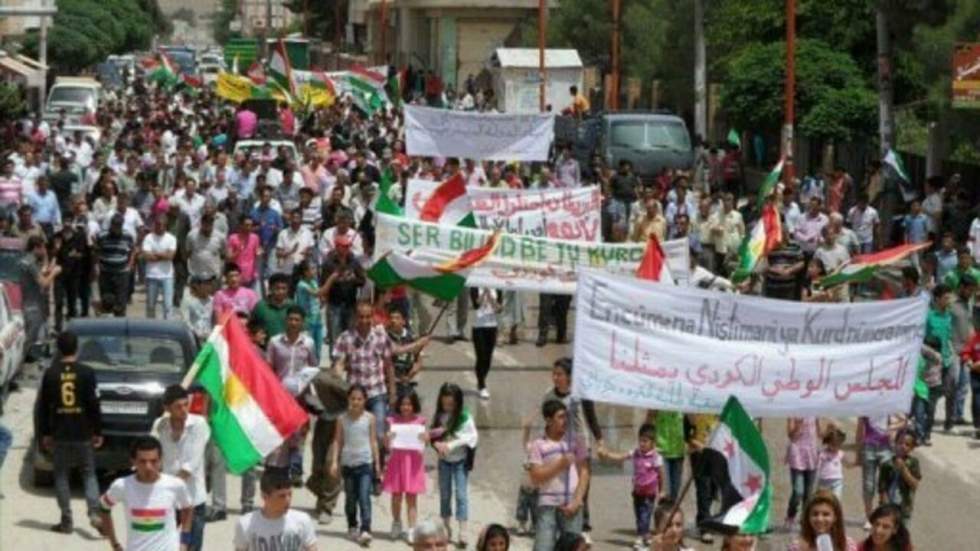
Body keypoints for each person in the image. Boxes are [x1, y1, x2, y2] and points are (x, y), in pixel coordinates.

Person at [37, 330, 103, 533]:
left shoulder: (51, 373)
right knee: (89, 473)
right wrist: (98, 430)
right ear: (77, 348)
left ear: (58, 349)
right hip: (83, 431)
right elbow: (94, 404)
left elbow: (43, 407)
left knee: (61, 475)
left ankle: (66, 520)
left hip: (60, 433)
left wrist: (45, 434)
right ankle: (94, 513)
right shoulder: (87, 372)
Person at [98, 436, 194, 551]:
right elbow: (104, 507)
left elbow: (188, 508)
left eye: (153, 461)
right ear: (133, 461)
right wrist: (115, 544)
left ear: (160, 460)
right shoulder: (122, 486)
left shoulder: (175, 485)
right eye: (142, 461)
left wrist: (184, 542)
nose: (148, 467)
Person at [333, 301, 396, 461]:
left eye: (368, 316)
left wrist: (393, 391)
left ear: (373, 317)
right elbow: (339, 362)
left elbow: (388, 365)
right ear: (355, 317)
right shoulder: (345, 338)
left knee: (380, 432)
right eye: (361, 317)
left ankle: (378, 468)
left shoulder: (381, 337)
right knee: (354, 431)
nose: (365, 320)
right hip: (355, 395)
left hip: (377, 392)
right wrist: (338, 373)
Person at [151, 385, 211, 551]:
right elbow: (153, 456)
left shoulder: (198, 425)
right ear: (167, 408)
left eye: (186, 404)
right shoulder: (159, 425)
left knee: (192, 546)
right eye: (178, 406)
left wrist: (165, 485)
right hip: (167, 500)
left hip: (192, 499)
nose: (184, 410)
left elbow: (191, 464)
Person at [528, 399, 589, 551]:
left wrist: (577, 501)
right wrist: (559, 464)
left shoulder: (575, 441)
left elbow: (584, 472)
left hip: (572, 506)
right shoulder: (538, 445)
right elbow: (535, 477)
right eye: (561, 417)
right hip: (547, 506)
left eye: (566, 416)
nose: (565, 420)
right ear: (548, 420)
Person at [596, 423, 664, 550]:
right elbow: (621, 456)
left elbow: (661, 475)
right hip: (637, 492)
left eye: (645, 441)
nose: (642, 444)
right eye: (640, 441)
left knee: (645, 515)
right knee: (639, 515)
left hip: (650, 494)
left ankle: (640, 537)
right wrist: (607, 454)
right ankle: (645, 535)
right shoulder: (636, 453)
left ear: (653, 442)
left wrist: (662, 490)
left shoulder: (656, 457)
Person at [330, 384, 380, 546]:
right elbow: (338, 441)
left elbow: (373, 441)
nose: (356, 402)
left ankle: (366, 529)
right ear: (348, 399)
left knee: (364, 496)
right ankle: (352, 525)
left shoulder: (370, 418)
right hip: (348, 464)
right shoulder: (342, 419)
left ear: (365, 400)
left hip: (365, 463)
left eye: (359, 399)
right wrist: (334, 462)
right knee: (351, 498)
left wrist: (377, 463)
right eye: (353, 398)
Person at [430, 382, 478, 547]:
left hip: (460, 462)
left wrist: (450, 445)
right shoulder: (439, 416)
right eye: (444, 403)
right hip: (444, 462)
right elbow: (433, 436)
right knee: (445, 494)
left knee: (461, 495)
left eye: (451, 404)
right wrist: (436, 444)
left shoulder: (465, 417)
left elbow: (471, 438)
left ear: (458, 402)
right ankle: (445, 526)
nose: (447, 407)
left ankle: (463, 531)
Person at [233, 470, 318, 551]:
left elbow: (311, 547)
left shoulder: (302, 520)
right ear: (265, 497)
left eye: (290, 494)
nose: (288, 500)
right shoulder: (246, 524)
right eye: (282, 496)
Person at [383, 390, 428, 542]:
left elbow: (423, 443)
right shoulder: (392, 421)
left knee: (411, 497)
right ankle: (396, 523)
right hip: (396, 462)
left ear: (414, 405)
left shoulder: (420, 421)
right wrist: (387, 438)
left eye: (409, 404)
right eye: (403, 404)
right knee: (396, 496)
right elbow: (387, 445)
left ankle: (412, 528)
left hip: (413, 464)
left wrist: (425, 438)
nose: (405, 407)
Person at [20, 235, 60, 354]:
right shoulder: (30, 263)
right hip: (32, 305)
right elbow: (43, 283)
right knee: (31, 339)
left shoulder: (27, 260)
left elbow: (40, 274)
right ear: (36, 248)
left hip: (31, 302)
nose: (45, 251)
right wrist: (54, 273)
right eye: (43, 248)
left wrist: (49, 269)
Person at [95, 214, 136, 316]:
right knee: (107, 301)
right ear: (111, 225)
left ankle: (120, 324)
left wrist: (130, 264)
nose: (117, 228)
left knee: (121, 303)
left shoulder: (127, 236)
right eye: (115, 225)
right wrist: (96, 266)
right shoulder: (102, 235)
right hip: (106, 273)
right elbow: (96, 251)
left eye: (119, 226)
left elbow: (133, 250)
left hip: (122, 273)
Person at [788, 490, 857, 551]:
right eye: (815, 514)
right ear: (808, 517)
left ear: (835, 517)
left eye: (826, 514)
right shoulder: (796, 547)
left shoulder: (847, 545)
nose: (819, 519)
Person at [785, 417, 821, 528]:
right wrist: (798, 425)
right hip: (797, 455)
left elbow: (820, 433)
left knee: (809, 493)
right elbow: (791, 436)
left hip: (811, 454)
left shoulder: (815, 412)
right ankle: (791, 515)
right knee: (798, 491)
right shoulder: (793, 413)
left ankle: (804, 520)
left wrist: (831, 431)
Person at [877, 431, 921, 522]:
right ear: (895, 443)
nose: (903, 446)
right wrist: (885, 504)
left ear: (912, 448)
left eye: (907, 444)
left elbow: (914, 485)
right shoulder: (887, 463)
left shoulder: (913, 463)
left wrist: (903, 469)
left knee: (902, 533)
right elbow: (882, 486)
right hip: (888, 505)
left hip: (904, 507)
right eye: (900, 443)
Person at [142, 214, 178, 320]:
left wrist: (155, 254)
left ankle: (168, 327)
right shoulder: (148, 237)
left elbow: (171, 256)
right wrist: (164, 254)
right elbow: (147, 256)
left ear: (166, 226)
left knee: (168, 306)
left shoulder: (171, 238)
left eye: (163, 225)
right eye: (158, 225)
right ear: (154, 225)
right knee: (150, 306)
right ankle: (150, 328)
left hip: (167, 276)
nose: (160, 227)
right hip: (151, 275)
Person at [471, 288, 501, 399]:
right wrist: (484, 293)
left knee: (488, 359)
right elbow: (476, 304)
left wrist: (491, 298)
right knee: (481, 356)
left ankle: (481, 379)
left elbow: (499, 309)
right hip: (478, 327)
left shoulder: (497, 288)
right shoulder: (475, 287)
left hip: (492, 327)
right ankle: (482, 385)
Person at [251, 273, 296, 338]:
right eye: (277, 288)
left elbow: (302, 328)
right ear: (270, 289)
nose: (281, 291)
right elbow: (252, 327)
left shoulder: (293, 306)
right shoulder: (260, 307)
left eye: (284, 288)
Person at [816, 428, 847, 498]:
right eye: (833, 445)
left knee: (837, 499)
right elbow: (817, 466)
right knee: (822, 499)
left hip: (837, 481)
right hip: (824, 481)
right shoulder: (823, 453)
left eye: (838, 445)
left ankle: (836, 509)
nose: (835, 447)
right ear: (828, 443)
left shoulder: (840, 453)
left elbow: (847, 464)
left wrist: (856, 463)